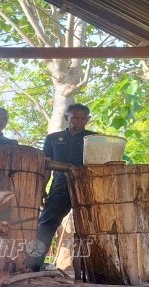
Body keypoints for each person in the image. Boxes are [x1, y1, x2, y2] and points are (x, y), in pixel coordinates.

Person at [28, 103, 97, 271]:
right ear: (67, 117)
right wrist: (41, 188)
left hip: (87, 187)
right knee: (46, 223)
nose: (78, 120)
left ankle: (96, 268)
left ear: (87, 120)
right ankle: (33, 265)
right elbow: (46, 166)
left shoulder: (95, 138)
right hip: (60, 186)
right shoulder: (53, 138)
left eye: (82, 118)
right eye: (74, 117)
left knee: (92, 226)